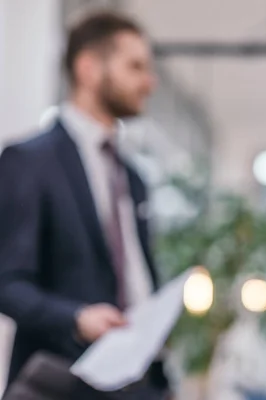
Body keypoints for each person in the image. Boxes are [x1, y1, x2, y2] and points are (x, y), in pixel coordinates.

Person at [0, 12, 169, 399]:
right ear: (89, 68)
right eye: (135, 66)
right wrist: (77, 318)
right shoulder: (30, 162)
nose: (149, 82)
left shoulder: (134, 178)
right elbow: (6, 283)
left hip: (137, 385)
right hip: (63, 381)